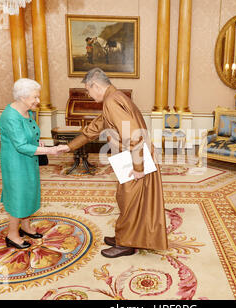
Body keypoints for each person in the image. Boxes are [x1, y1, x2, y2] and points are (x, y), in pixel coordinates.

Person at [58, 67, 168, 258]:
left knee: (129, 201)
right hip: (133, 156)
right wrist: (69, 147)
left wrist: (138, 168)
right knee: (131, 201)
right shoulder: (114, 98)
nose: (89, 95)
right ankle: (125, 236)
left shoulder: (112, 100)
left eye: (88, 90)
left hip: (134, 158)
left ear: (95, 85)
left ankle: (126, 244)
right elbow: (96, 126)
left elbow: (133, 134)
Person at [0, 78, 62, 249]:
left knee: (29, 192)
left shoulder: (29, 112)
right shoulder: (10, 116)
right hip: (16, 162)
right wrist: (50, 150)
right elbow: (20, 145)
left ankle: (26, 227)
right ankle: (12, 235)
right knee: (18, 195)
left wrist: (37, 142)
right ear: (22, 97)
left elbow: (30, 134)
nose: (38, 101)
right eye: (35, 97)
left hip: (29, 159)